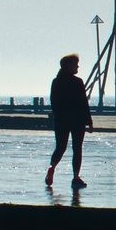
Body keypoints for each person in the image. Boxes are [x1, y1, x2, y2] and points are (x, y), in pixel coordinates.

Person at [45, 53, 93, 189]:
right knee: (77, 149)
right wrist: (89, 121)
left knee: (60, 147)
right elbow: (84, 103)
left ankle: (52, 167)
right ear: (67, 65)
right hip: (77, 120)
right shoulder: (78, 82)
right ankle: (76, 177)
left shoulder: (56, 81)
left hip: (61, 120)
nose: (77, 66)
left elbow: (53, 102)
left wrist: (59, 116)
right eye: (75, 64)